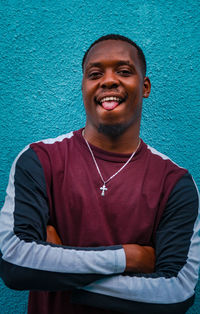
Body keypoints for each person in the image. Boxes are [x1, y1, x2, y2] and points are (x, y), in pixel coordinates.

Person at [0, 34, 199, 314]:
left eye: (124, 71)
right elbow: (15, 263)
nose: (108, 80)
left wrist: (58, 267)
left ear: (145, 87)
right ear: (83, 86)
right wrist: (130, 258)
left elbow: (177, 291)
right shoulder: (39, 160)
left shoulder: (174, 182)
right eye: (95, 74)